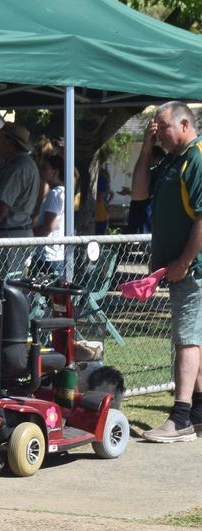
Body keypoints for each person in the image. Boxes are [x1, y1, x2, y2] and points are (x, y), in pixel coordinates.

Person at [132, 101, 202, 442]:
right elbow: (140, 192)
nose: (156, 132)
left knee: (186, 339)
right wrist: (147, 149)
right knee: (196, 337)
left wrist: (185, 261)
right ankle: (199, 410)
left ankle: (180, 417)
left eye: (162, 127)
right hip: (177, 269)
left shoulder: (198, 158)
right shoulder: (173, 160)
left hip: (192, 269)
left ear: (185, 124)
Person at [0, 122, 42, 274]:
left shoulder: (17, 168)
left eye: (0, 139)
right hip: (19, 234)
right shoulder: (28, 165)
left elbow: (2, 207)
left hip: (9, 237)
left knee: (5, 289)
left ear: (10, 142)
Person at [34, 154, 67, 276]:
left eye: (44, 168)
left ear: (55, 172)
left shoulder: (55, 194)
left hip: (48, 255)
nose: (41, 171)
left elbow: (49, 226)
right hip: (58, 253)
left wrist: (29, 234)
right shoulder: (64, 192)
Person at [94, 163, 113, 235]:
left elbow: (109, 194)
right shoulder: (102, 180)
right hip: (100, 215)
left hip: (100, 215)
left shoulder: (101, 180)